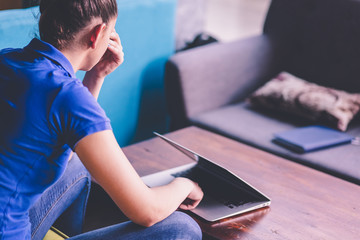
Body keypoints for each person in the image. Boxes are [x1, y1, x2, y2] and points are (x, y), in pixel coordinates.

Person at [0, 0, 204, 239]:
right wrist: (187, 184)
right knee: (183, 228)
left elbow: (64, 133)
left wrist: (95, 76)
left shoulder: (8, 59)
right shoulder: (66, 96)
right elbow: (147, 211)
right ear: (97, 34)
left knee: (76, 167)